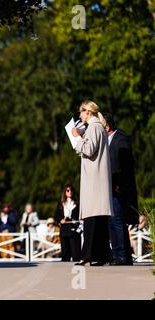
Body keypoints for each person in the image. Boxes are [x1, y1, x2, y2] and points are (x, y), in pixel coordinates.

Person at [72, 100, 113, 266]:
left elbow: (89, 149)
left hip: (95, 181)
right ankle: (100, 255)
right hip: (96, 180)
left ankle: (87, 255)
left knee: (92, 221)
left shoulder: (94, 127)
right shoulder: (97, 127)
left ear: (88, 112)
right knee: (98, 222)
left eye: (81, 112)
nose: (79, 115)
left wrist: (77, 137)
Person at [103, 113, 138, 266]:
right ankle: (124, 256)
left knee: (116, 222)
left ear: (107, 126)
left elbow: (126, 165)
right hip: (111, 187)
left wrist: (120, 185)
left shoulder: (120, 140)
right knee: (116, 222)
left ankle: (120, 256)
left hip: (118, 189)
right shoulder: (110, 140)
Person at [55, 184, 81, 262]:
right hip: (64, 229)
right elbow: (56, 216)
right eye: (68, 190)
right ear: (65, 192)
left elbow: (79, 215)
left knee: (75, 252)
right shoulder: (61, 204)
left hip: (73, 229)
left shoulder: (77, 203)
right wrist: (60, 220)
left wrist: (76, 220)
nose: (70, 192)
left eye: (71, 190)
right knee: (65, 253)